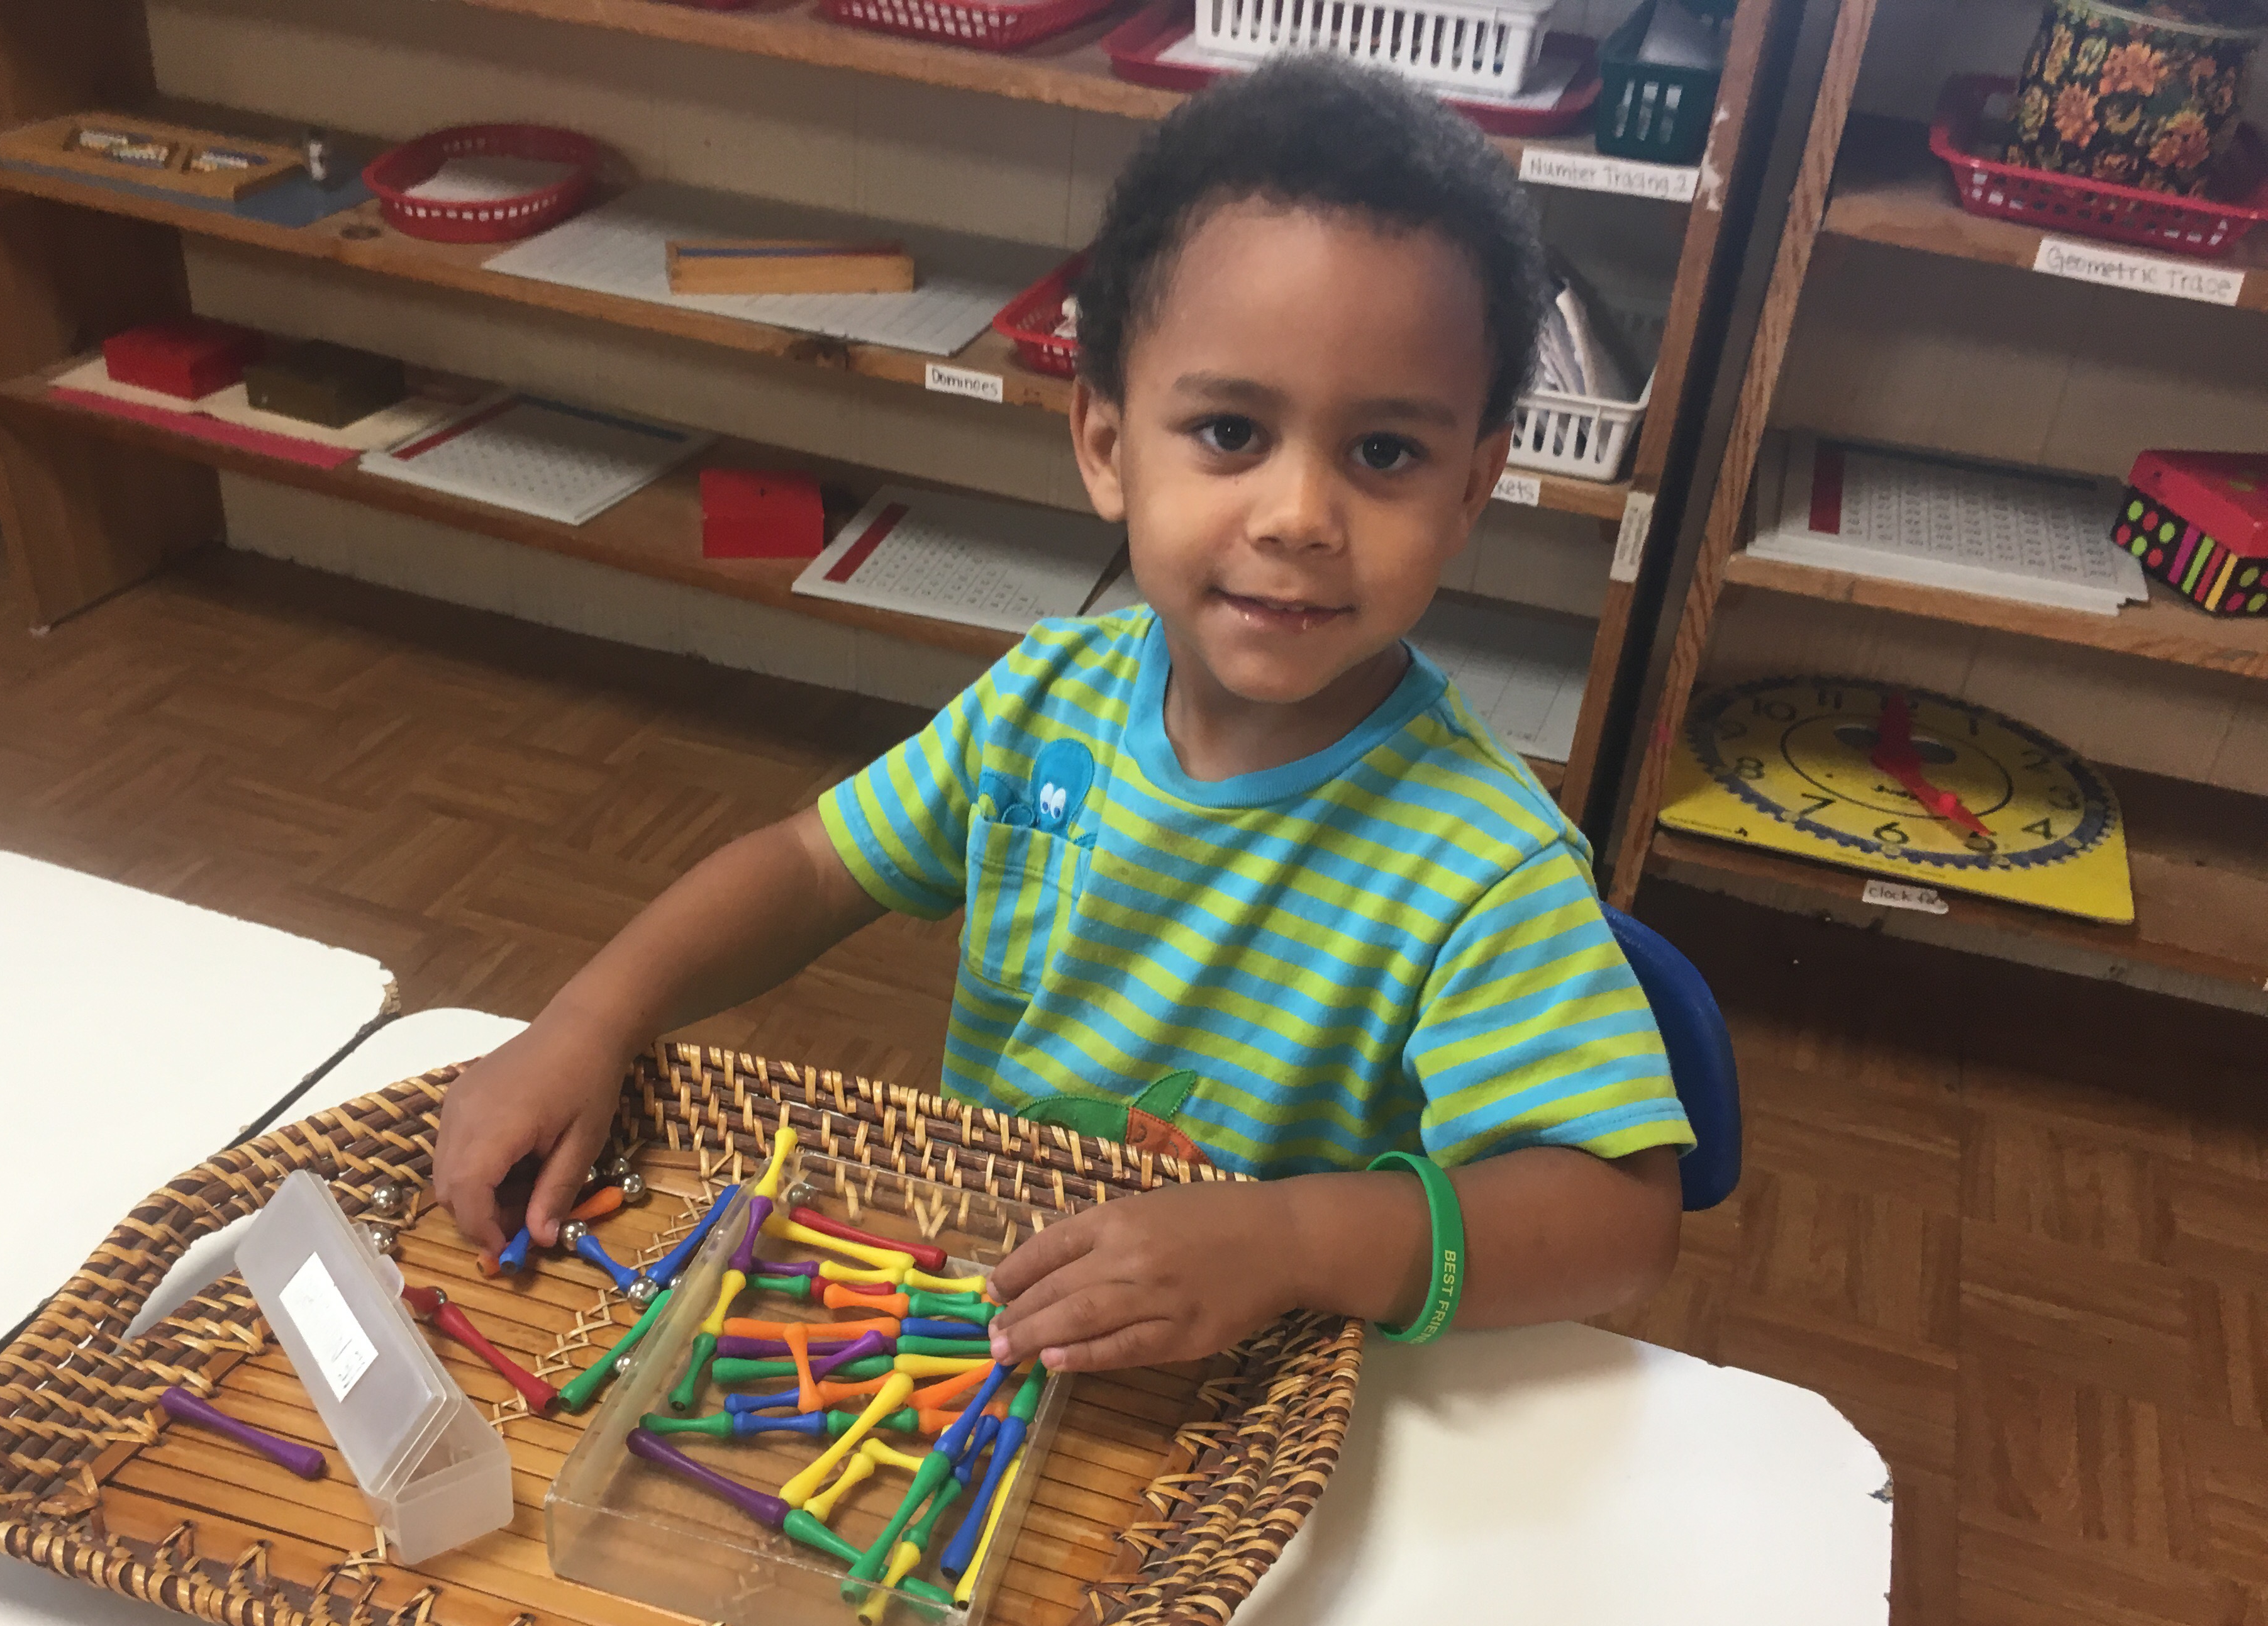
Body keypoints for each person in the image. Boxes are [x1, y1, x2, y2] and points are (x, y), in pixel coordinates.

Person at [433, 57, 1693, 1373]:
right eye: (1231, 431)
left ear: (1473, 488)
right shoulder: (1046, 701)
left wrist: (1289, 1240)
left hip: (1253, 1409)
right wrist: (589, 1022)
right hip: (989, 1335)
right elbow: (811, 865)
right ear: (1104, 444)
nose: (1300, 518)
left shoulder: (1484, 863)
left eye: (1385, 453)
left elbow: (1621, 1220)